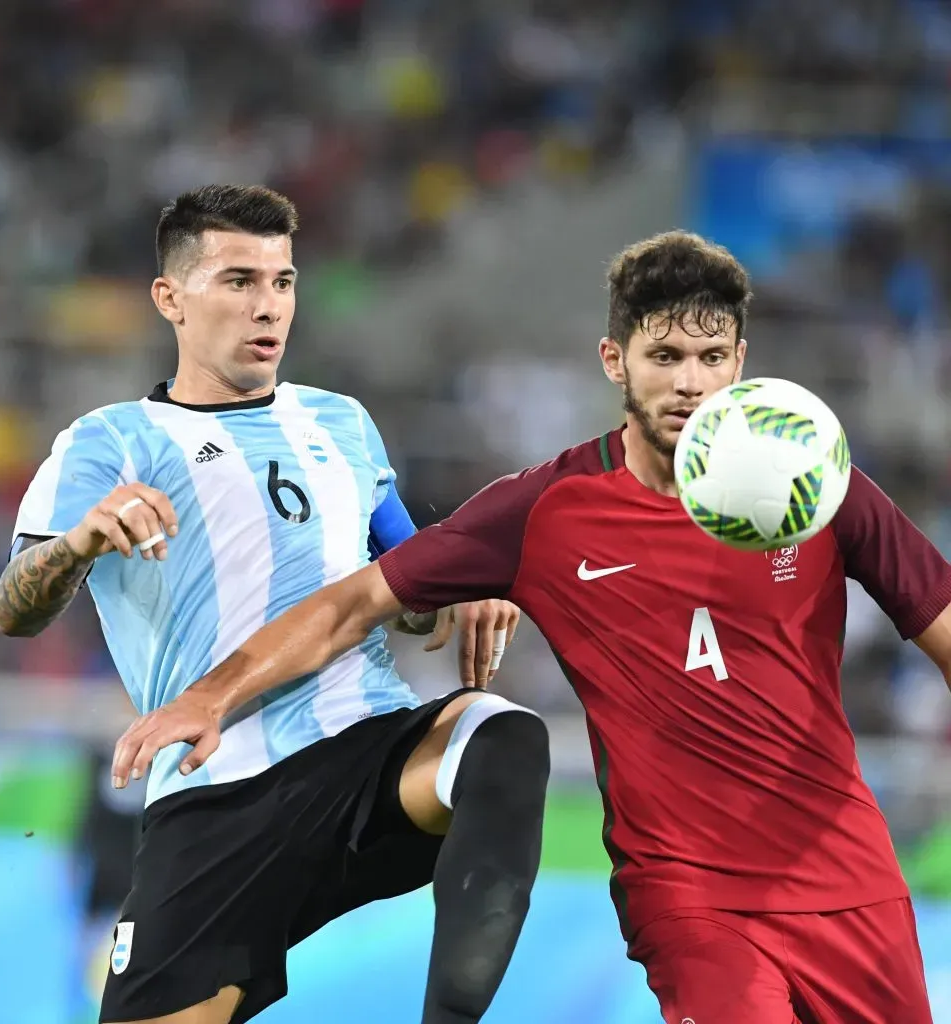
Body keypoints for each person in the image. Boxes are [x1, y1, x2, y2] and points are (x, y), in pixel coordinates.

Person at [113, 230, 951, 1024]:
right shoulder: (548, 509)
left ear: (739, 361)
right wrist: (213, 695)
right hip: (693, 898)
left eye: (710, 357)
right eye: (664, 357)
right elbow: (351, 604)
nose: (690, 384)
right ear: (615, 360)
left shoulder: (816, 481)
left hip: (851, 882)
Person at [0, 183, 551, 1024]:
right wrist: (76, 545)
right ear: (171, 298)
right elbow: (13, 609)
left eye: (282, 281)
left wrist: (461, 588)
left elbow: (407, 590)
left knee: (500, 735)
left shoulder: (341, 423)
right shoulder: (108, 441)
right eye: (239, 281)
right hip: (216, 796)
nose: (269, 306)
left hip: (363, 753)